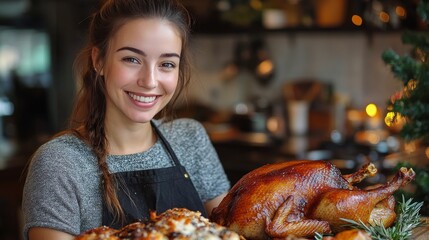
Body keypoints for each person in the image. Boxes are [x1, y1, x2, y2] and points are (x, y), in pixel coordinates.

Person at [21, 0, 231, 239]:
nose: (149, 81)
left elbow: (232, 229)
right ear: (98, 60)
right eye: (132, 59)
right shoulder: (60, 163)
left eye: (167, 64)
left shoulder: (189, 139)